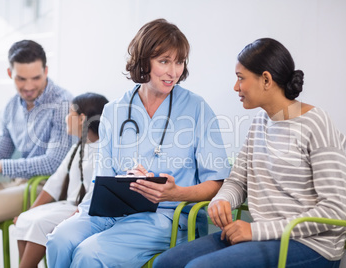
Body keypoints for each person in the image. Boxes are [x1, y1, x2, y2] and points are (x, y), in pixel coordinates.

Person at [46, 18, 231, 268]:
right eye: (164, 61)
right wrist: (83, 210)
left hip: (167, 217)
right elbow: (103, 176)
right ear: (144, 61)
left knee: (90, 255)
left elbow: (217, 181)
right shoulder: (114, 110)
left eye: (179, 62)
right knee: (59, 239)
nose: (173, 72)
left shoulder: (197, 108)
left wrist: (177, 193)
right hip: (112, 211)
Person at [153, 37, 346, 268]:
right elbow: (237, 181)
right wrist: (223, 200)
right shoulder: (260, 123)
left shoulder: (316, 124)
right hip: (263, 237)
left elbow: (334, 210)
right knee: (166, 263)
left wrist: (256, 230)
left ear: (266, 79)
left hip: (311, 246)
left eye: (240, 78)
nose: (236, 87)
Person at [0, 40, 73, 268]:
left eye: (36, 78)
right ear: (9, 73)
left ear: (46, 71)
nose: (29, 86)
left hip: (44, 187)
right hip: (16, 182)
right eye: (21, 79)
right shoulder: (11, 107)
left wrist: (0, 167)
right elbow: (1, 150)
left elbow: (54, 163)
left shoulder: (63, 104)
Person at [14, 92, 108, 268]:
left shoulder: (105, 152)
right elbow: (54, 184)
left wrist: (75, 217)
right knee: (26, 219)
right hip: (68, 205)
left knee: (39, 223)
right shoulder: (77, 148)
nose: (66, 118)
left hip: (83, 211)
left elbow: (97, 192)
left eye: (69, 112)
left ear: (81, 119)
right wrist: (29, 211)